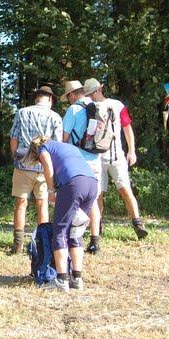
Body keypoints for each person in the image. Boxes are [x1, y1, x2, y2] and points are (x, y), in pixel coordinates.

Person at [26, 136, 98, 292]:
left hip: (73, 184)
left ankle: (61, 280)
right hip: (92, 183)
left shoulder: (43, 148)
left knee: (60, 232)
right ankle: (77, 278)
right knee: (75, 231)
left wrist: (51, 190)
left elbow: (47, 164)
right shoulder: (68, 147)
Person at [84, 78, 148, 244]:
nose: (90, 96)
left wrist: (132, 151)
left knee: (125, 189)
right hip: (96, 158)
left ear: (98, 90)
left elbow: (127, 129)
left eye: (91, 93)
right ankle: (97, 228)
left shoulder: (117, 105)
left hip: (117, 156)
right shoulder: (87, 107)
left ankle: (138, 224)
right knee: (98, 194)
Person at [8, 85, 63, 255]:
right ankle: (42, 244)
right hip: (44, 168)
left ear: (36, 98)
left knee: (21, 203)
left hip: (23, 165)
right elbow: (57, 145)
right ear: (50, 99)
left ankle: (18, 245)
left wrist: (15, 156)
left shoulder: (22, 112)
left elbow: (14, 138)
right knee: (42, 204)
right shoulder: (55, 117)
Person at [61, 80, 103, 254]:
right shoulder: (97, 106)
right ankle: (95, 240)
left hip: (78, 161)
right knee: (93, 200)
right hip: (96, 159)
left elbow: (64, 138)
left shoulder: (73, 109)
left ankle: (73, 237)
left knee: (74, 199)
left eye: (68, 97)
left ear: (72, 94)